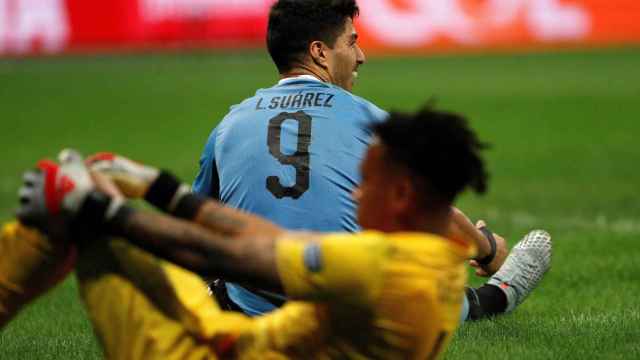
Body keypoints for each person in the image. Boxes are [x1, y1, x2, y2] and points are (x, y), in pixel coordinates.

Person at [11, 107, 551, 359]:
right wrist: (156, 186)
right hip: (225, 336)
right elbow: (270, 241)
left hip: (202, 352)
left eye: (365, 182)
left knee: (69, 205)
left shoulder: (384, 269)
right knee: (85, 197)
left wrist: (105, 214)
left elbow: (240, 257)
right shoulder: (419, 259)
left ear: (402, 194)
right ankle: (498, 296)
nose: (354, 194)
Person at [193, 0, 510, 319]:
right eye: (352, 41)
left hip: (252, 312)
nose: (361, 56)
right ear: (319, 52)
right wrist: (487, 249)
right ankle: (486, 301)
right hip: (347, 313)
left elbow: (196, 223)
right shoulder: (372, 121)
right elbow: (433, 212)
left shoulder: (228, 125)